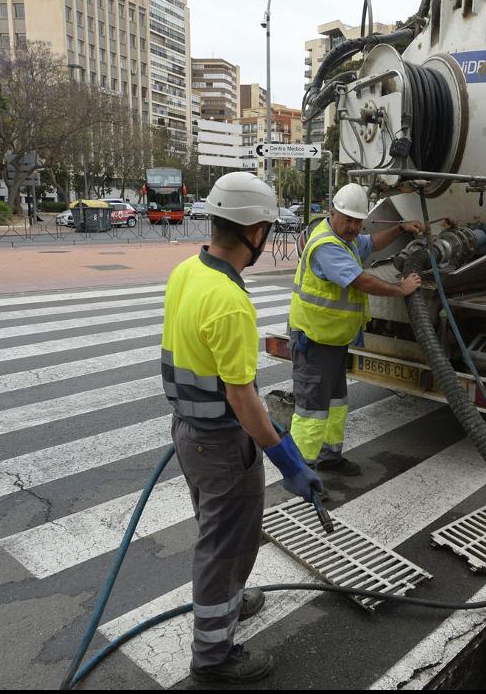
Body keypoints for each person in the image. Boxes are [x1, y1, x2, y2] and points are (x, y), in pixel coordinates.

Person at [161, 171, 324, 685]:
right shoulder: (231, 302)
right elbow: (242, 396)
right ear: (255, 232)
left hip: (189, 432)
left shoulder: (188, 270)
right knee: (226, 545)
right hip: (222, 446)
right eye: (268, 230)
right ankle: (213, 654)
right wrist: (288, 460)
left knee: (220, 534)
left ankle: (229, 600)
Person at [288, 183, 423, 475]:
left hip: (333, 340)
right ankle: (300, 474)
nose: (353, 227)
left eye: (357, 221)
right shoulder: (326, 246)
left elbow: (371, 243)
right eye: (347, 219)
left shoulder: (345, 240)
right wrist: (401, 289)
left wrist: (401, 227)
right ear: (332, 213)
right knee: (312, 409)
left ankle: (328, 458)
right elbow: (362, 281)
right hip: (314, 340)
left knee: (335, 404)